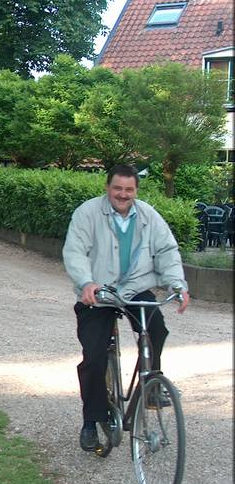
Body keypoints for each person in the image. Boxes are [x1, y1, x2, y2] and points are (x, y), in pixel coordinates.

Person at [62, 164, 189, 453]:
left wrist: (177, 285)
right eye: (117, 188)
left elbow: (167, 251)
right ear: (108, 188)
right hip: (99, 291)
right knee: (94, 356)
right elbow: (75, 251)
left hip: (134, 288)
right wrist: (86, 282)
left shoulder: (148, 215)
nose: (123, 194)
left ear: (136, 191)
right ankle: (91, 421)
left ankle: (151, 384)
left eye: (128, 189)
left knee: (157, 328)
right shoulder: (88, 213)